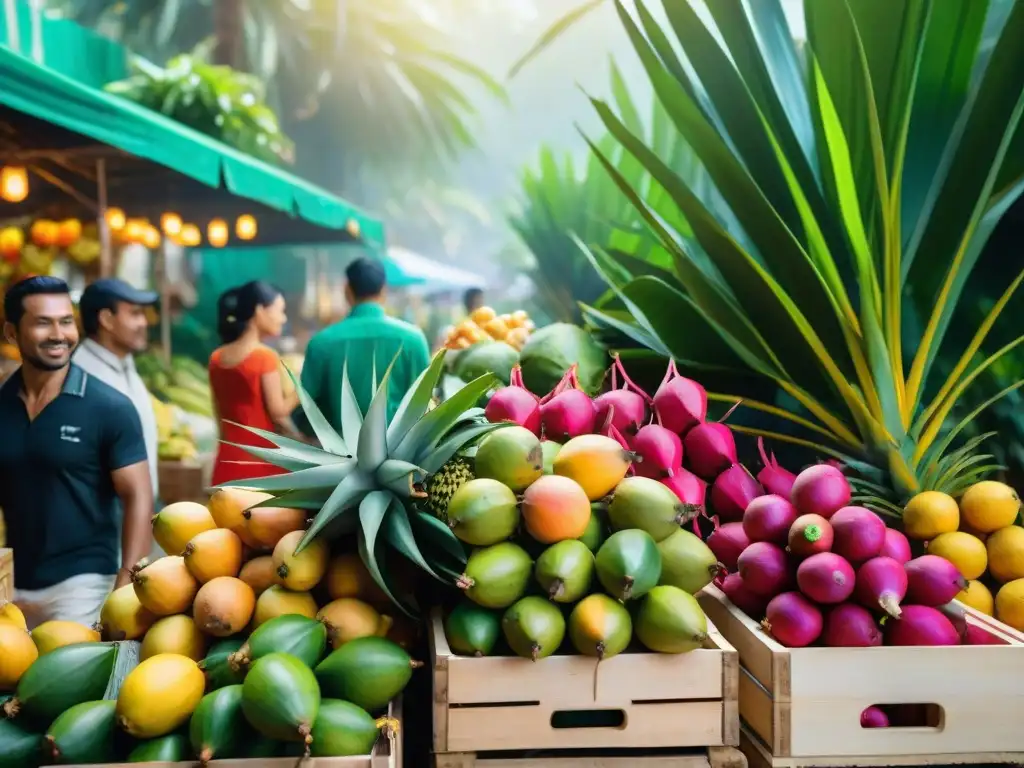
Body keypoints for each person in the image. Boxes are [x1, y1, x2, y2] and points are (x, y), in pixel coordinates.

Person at [0, 276, 153, 628]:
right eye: (43, 322)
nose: (59, 334)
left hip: (82, 587)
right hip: (12, 586)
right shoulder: (3, 404)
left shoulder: (108, 407)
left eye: (65, 321)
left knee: (61, 683)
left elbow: (138, 496)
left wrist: (126, 583)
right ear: (12, 332)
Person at [300, 257, 430, 429]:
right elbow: (425, 401)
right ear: (384, 290)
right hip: (402, 452)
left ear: (347, 290)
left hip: (335, 452)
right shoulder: (413, 339)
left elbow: (307, 406)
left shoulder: (321, 342)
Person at [73, 278, 160, 499]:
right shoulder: (83, 377)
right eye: (134, 314)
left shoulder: (125, 365)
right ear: (106, 320)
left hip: (136, 508)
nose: (144, 323)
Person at [208, 281, 298, 487]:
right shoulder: (264, 357)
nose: (283, 318)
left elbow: (219, 417)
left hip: (226, 461)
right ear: (259, 310)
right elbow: (279, 413)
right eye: (280, 311)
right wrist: (301, 389)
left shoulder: (216, 358)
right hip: (261, 462)